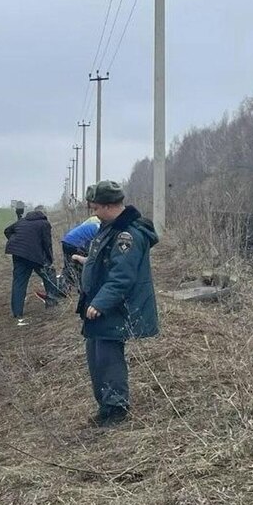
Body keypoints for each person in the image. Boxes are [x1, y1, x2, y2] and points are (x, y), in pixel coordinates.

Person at [76, 181, 159, 427]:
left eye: (96, 208)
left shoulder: (127, 235)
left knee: (108, 360)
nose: (94, 212)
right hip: (103, 307)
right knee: (96, 357)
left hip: (116, 308)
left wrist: (100, 303)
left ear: (110, 206)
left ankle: (115, 409)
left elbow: (122, 277)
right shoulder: (109, 227)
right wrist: (88, 262)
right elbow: (108, 263)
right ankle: (105, 407)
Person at [4, 206, 63, 326]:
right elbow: (47, 243)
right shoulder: (44, 223)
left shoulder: (22, 221)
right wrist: (50, 259)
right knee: (49, 275)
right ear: (43, 213)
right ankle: (51, 302)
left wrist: (16, 241)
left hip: (18, 254)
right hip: (35, 255)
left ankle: (17, 312)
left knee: (19, 282)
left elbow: (7, 230)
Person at [57, 216, 100, 296]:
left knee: (69, 266)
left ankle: (63, 289)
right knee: (82, 267)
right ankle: (83, 291)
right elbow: (94, 247)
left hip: (66, 241)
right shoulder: (100, 229)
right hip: (75, 244)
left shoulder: (91, 225)